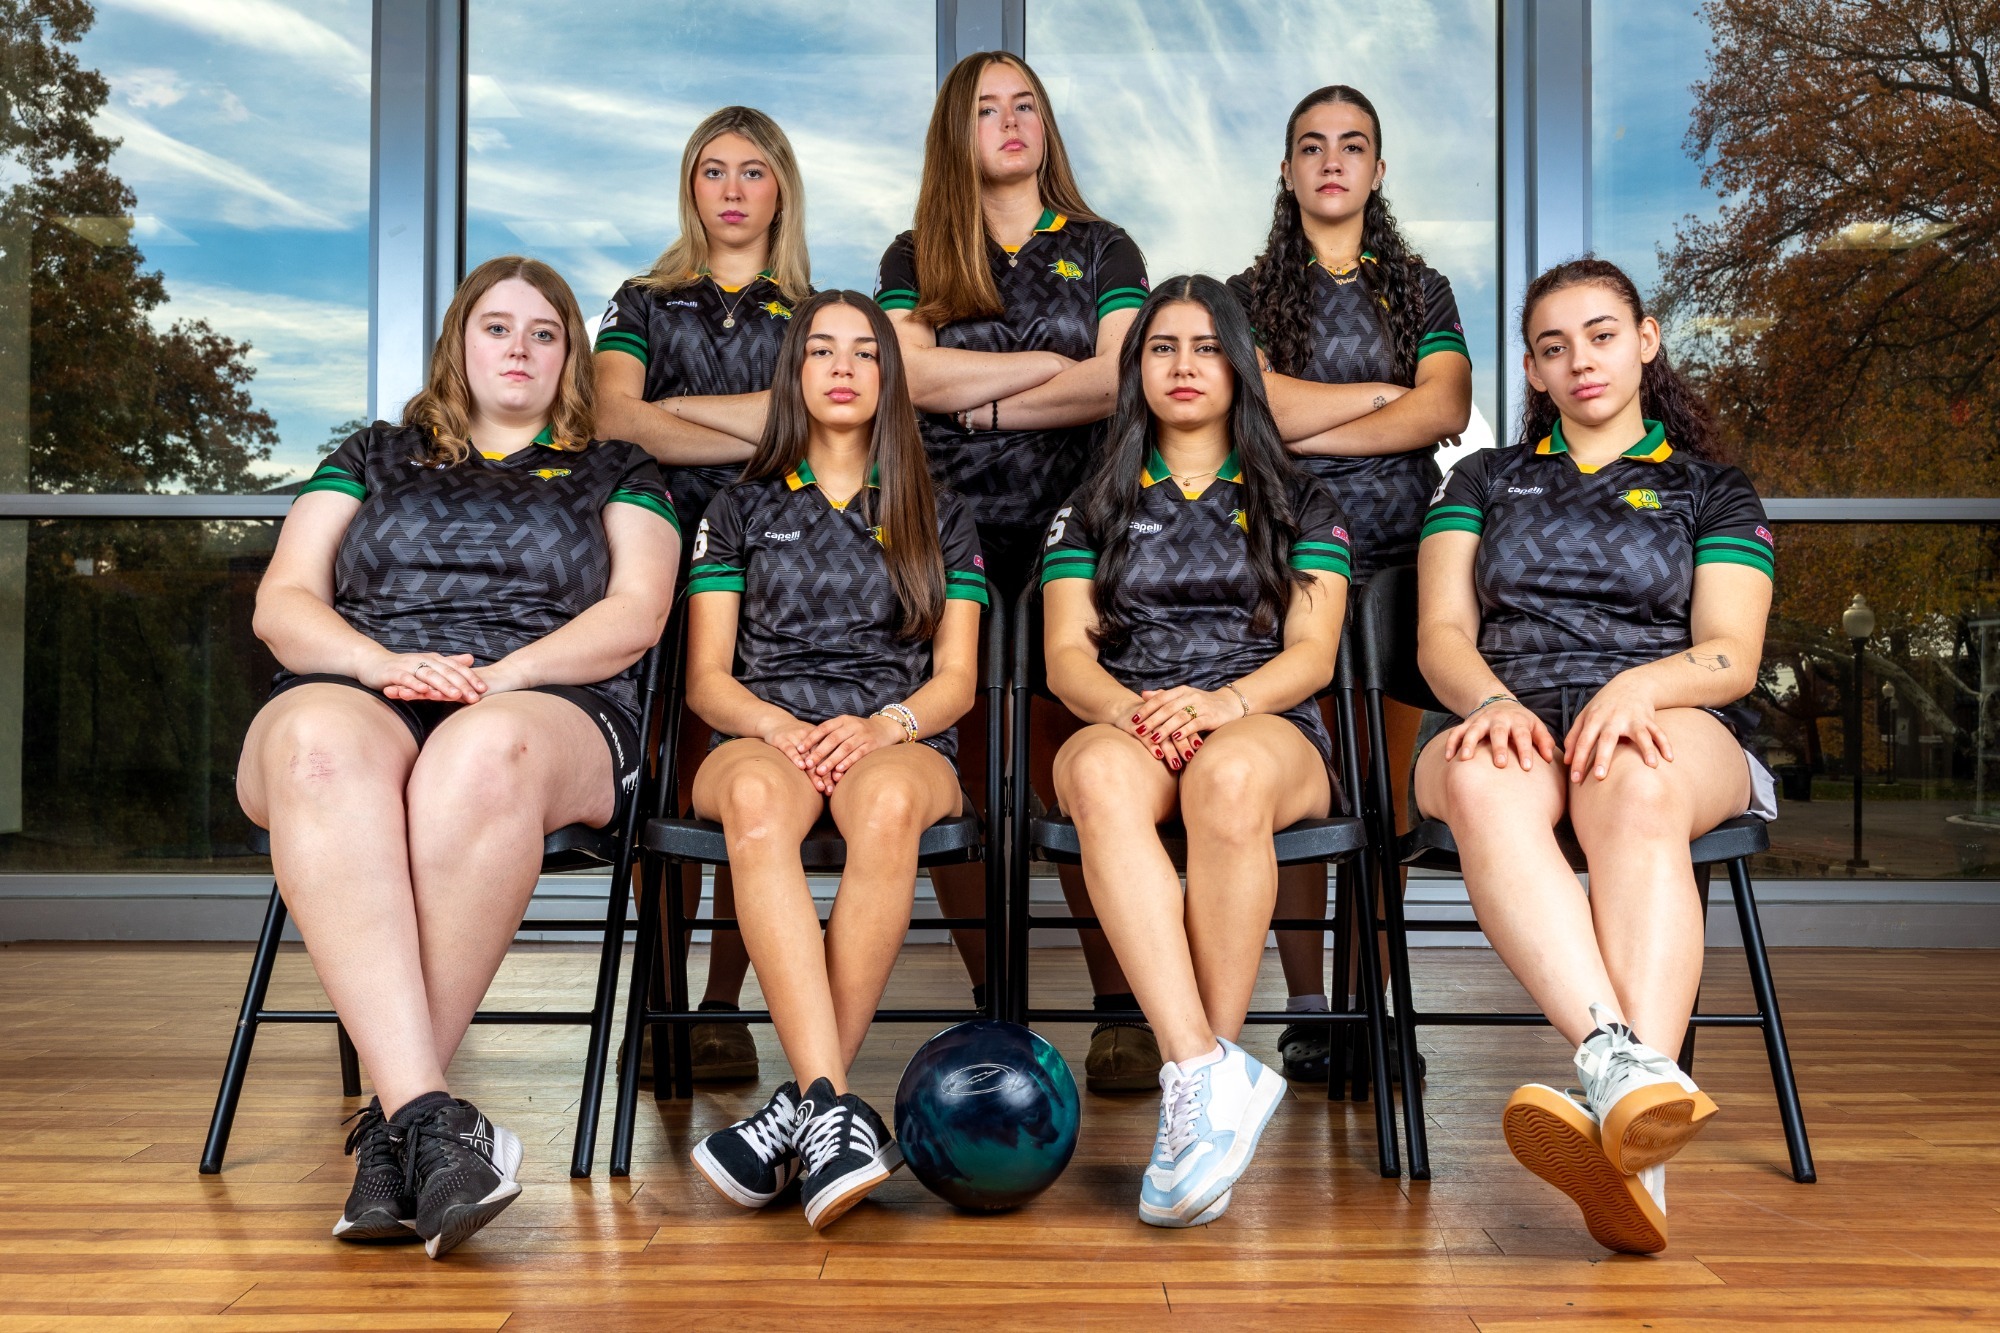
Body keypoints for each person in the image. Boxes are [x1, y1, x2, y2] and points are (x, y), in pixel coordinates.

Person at [237, 256, 680, 1257]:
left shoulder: (619, 468)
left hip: (546, 700)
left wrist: (501, 673)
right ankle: (430, 1124)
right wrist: (383, 661)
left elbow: (635, 613)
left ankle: (398, 1127)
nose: (518, 347)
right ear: (458, 342)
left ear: (569, 353)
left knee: (476, 755)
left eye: (543, 332)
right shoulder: (373, 453)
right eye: (496, 327)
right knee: (313, 749)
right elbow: (285, 601)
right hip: (370, 684)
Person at [1414, 256, 1777, 1255]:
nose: (1580, 360)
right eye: (1552, 345)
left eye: (1601, 334)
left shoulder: (1710, 488)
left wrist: (1634, 686)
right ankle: (1624, 1079)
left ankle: (1631, 1119)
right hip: (1507, 711)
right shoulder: (1482, 478)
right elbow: (1439, 634)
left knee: (1633, 776)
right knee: (1479, 778)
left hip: (1665, 718)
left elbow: (1728, 655)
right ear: (1530, 369)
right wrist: (1488, 699)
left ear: (1645, 340)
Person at [1042, 276, 1352, 1227]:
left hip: (1264, 720)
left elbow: (1313, 654)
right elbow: (1064, 656)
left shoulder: (1301, 494)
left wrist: (1223, 703)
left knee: (1228, 776)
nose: (1183, 366)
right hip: (1133, 717)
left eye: (1205, 345)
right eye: (1161, 347)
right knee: (1091, 769)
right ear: (1135, 372)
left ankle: (1204, 1080)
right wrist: (1137, 714)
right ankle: (1203, 1081)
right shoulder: (1089, 503)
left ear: (1241, 364)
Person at [877, 50, 1155, 1089]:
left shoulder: (1100, 244)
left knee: (1066, 758)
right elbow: (899, 373)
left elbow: (1122, 381)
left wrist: (978, 396)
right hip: (941, 533)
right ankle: (994, 1007)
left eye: (1023, 105)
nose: (1007, 122)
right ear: (956, 132)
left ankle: (1118, 999)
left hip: (1075, 532)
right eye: (985, 108)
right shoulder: (916, 250)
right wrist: (1049, 368)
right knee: (964, 767)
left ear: (1045, 125)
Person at [683, 291, 986, 1230]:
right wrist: (777, 728)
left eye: (866, 351)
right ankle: (832, 1105)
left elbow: (958, 678)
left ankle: (805, 1108)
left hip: (897, 737)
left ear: (891, 378)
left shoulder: (944, 510)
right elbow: (705, 677)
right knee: (758, 807)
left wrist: (885, 723)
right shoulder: (736, 508)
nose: (844, 366)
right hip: (762, 732)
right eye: (822, 350)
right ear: (796, 373)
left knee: (890, 805)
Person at [1228, 84, 1472, 1085]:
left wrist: (1315, 415)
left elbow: (1444, 407)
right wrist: (1384, 397)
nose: (1331, 162)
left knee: (1376, 805)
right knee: (1299, 799)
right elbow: (1256, 415)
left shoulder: (1422, 289)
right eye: (1311, 147)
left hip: (1401, 565)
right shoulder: (1243, 298)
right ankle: (1308, 1009)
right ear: (1286, 172)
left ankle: (1375, 1011)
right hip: (1284, 561)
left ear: (1377, 169)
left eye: (1352, 146)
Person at [595, 106, 812, 1081]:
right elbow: (613, 422)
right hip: (649, 565)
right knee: (660, 788)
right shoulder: (642, 300)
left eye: (751, 171)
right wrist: (758, 424)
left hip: (774, 577)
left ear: (781, 189)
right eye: (711, 170)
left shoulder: (811, 314)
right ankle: (664, 1001)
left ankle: (721, 1007)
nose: (731, 189)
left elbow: (814, 425)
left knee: (746, 780)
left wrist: (674, 413)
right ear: (689, 186)